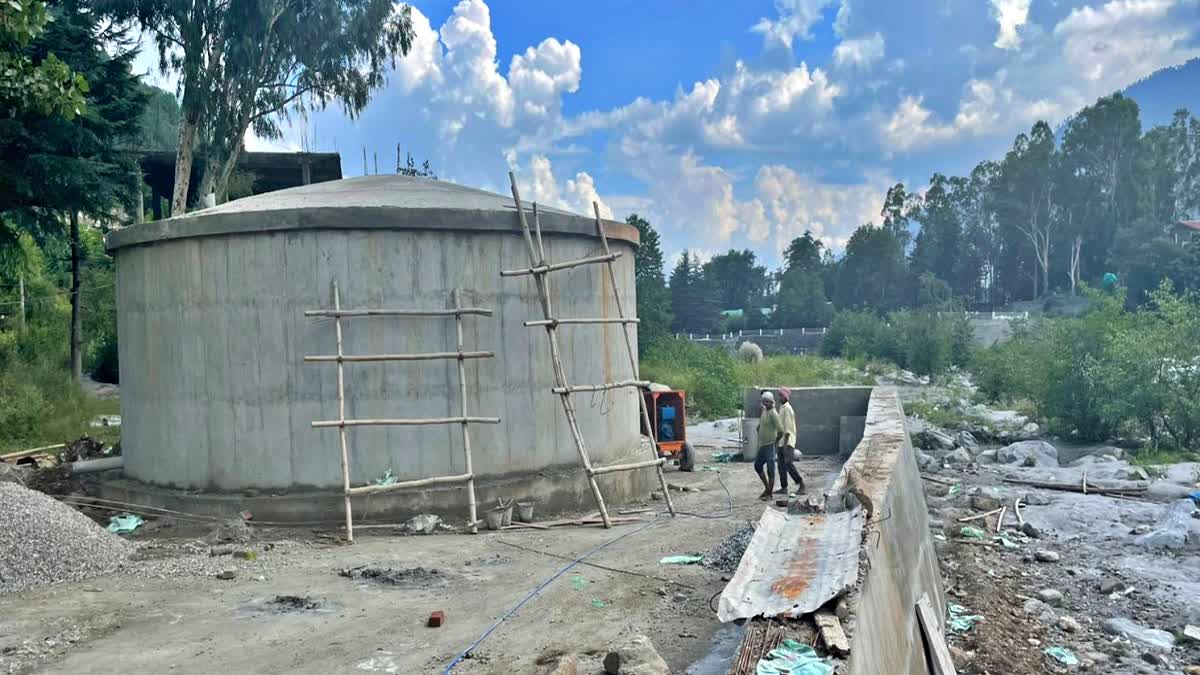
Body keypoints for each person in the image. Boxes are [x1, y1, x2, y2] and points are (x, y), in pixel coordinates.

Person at [775, 387, 805, 495]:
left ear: (786, 397)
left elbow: (788, 429)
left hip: (787, 442)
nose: (780, 397)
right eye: (779, 395)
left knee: (788, 464)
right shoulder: (782, 408)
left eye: (781, 396)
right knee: (781, 466)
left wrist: (785, 444)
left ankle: (801, 484)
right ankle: (784, 488)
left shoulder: (787, 409)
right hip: (782, 441)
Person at [755, 390, 783, 501]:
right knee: (757, 466)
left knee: (770, 469)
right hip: (762, 445)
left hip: (770, 445)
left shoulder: (773, 414)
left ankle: (770, 494)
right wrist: (759, 429)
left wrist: (775, 441)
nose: (765, 403)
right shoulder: (765, 411)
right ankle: (767, 489)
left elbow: (781, 430)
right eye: (764, 401)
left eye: (768, 402)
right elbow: (761, 424)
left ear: (772, 402)